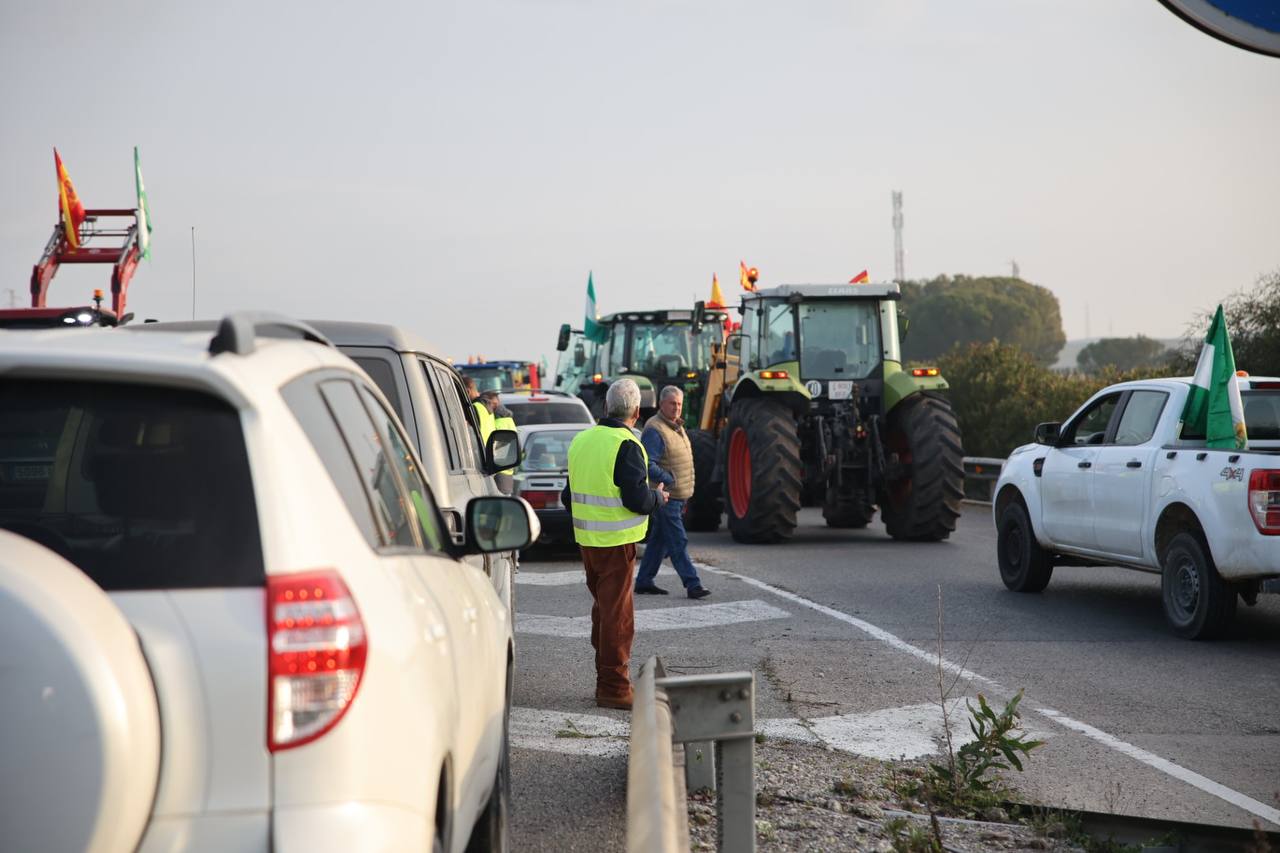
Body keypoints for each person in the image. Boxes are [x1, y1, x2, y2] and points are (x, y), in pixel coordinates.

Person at [562, 379, 668, 710]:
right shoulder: (627, 444)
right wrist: (658, 498)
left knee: (604, 612)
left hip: (587, 542)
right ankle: (613, 687)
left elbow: (568, 497)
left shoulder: (581, 440)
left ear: (606, 408)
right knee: (618, 617)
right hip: (617, 543)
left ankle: (605, 676)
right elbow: (637, 499)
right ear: (637, 411)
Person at [635, 386, 710, 600]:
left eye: (679, 404)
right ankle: (693, 584)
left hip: (677, 496)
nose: (677, 408)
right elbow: (648, 463)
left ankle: (644, 581)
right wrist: (669, 479)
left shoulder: (675, 426)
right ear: (661, 404)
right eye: (672, 403)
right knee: (678, 541)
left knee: (659, 540)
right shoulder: (655, 430)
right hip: (666, 496)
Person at [492, 402, 517, 494]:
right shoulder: (510, 424)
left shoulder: (497, 425)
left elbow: (498, 454)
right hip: (508, 474)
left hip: (498, 474)